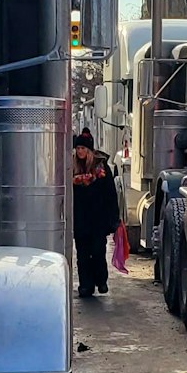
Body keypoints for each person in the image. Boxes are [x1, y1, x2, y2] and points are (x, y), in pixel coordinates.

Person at [72, 127, 120, 299]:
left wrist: (114, 218)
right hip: (80, 220)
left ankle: (101, 280)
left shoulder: (101, 169)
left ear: (90, 150)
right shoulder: (72, 168)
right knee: (83, 255)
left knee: (98, 251)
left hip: (98, 219)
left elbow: (110, 194)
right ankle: (85, 285)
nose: (80, 152)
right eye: (78, 148)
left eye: (83, 148)